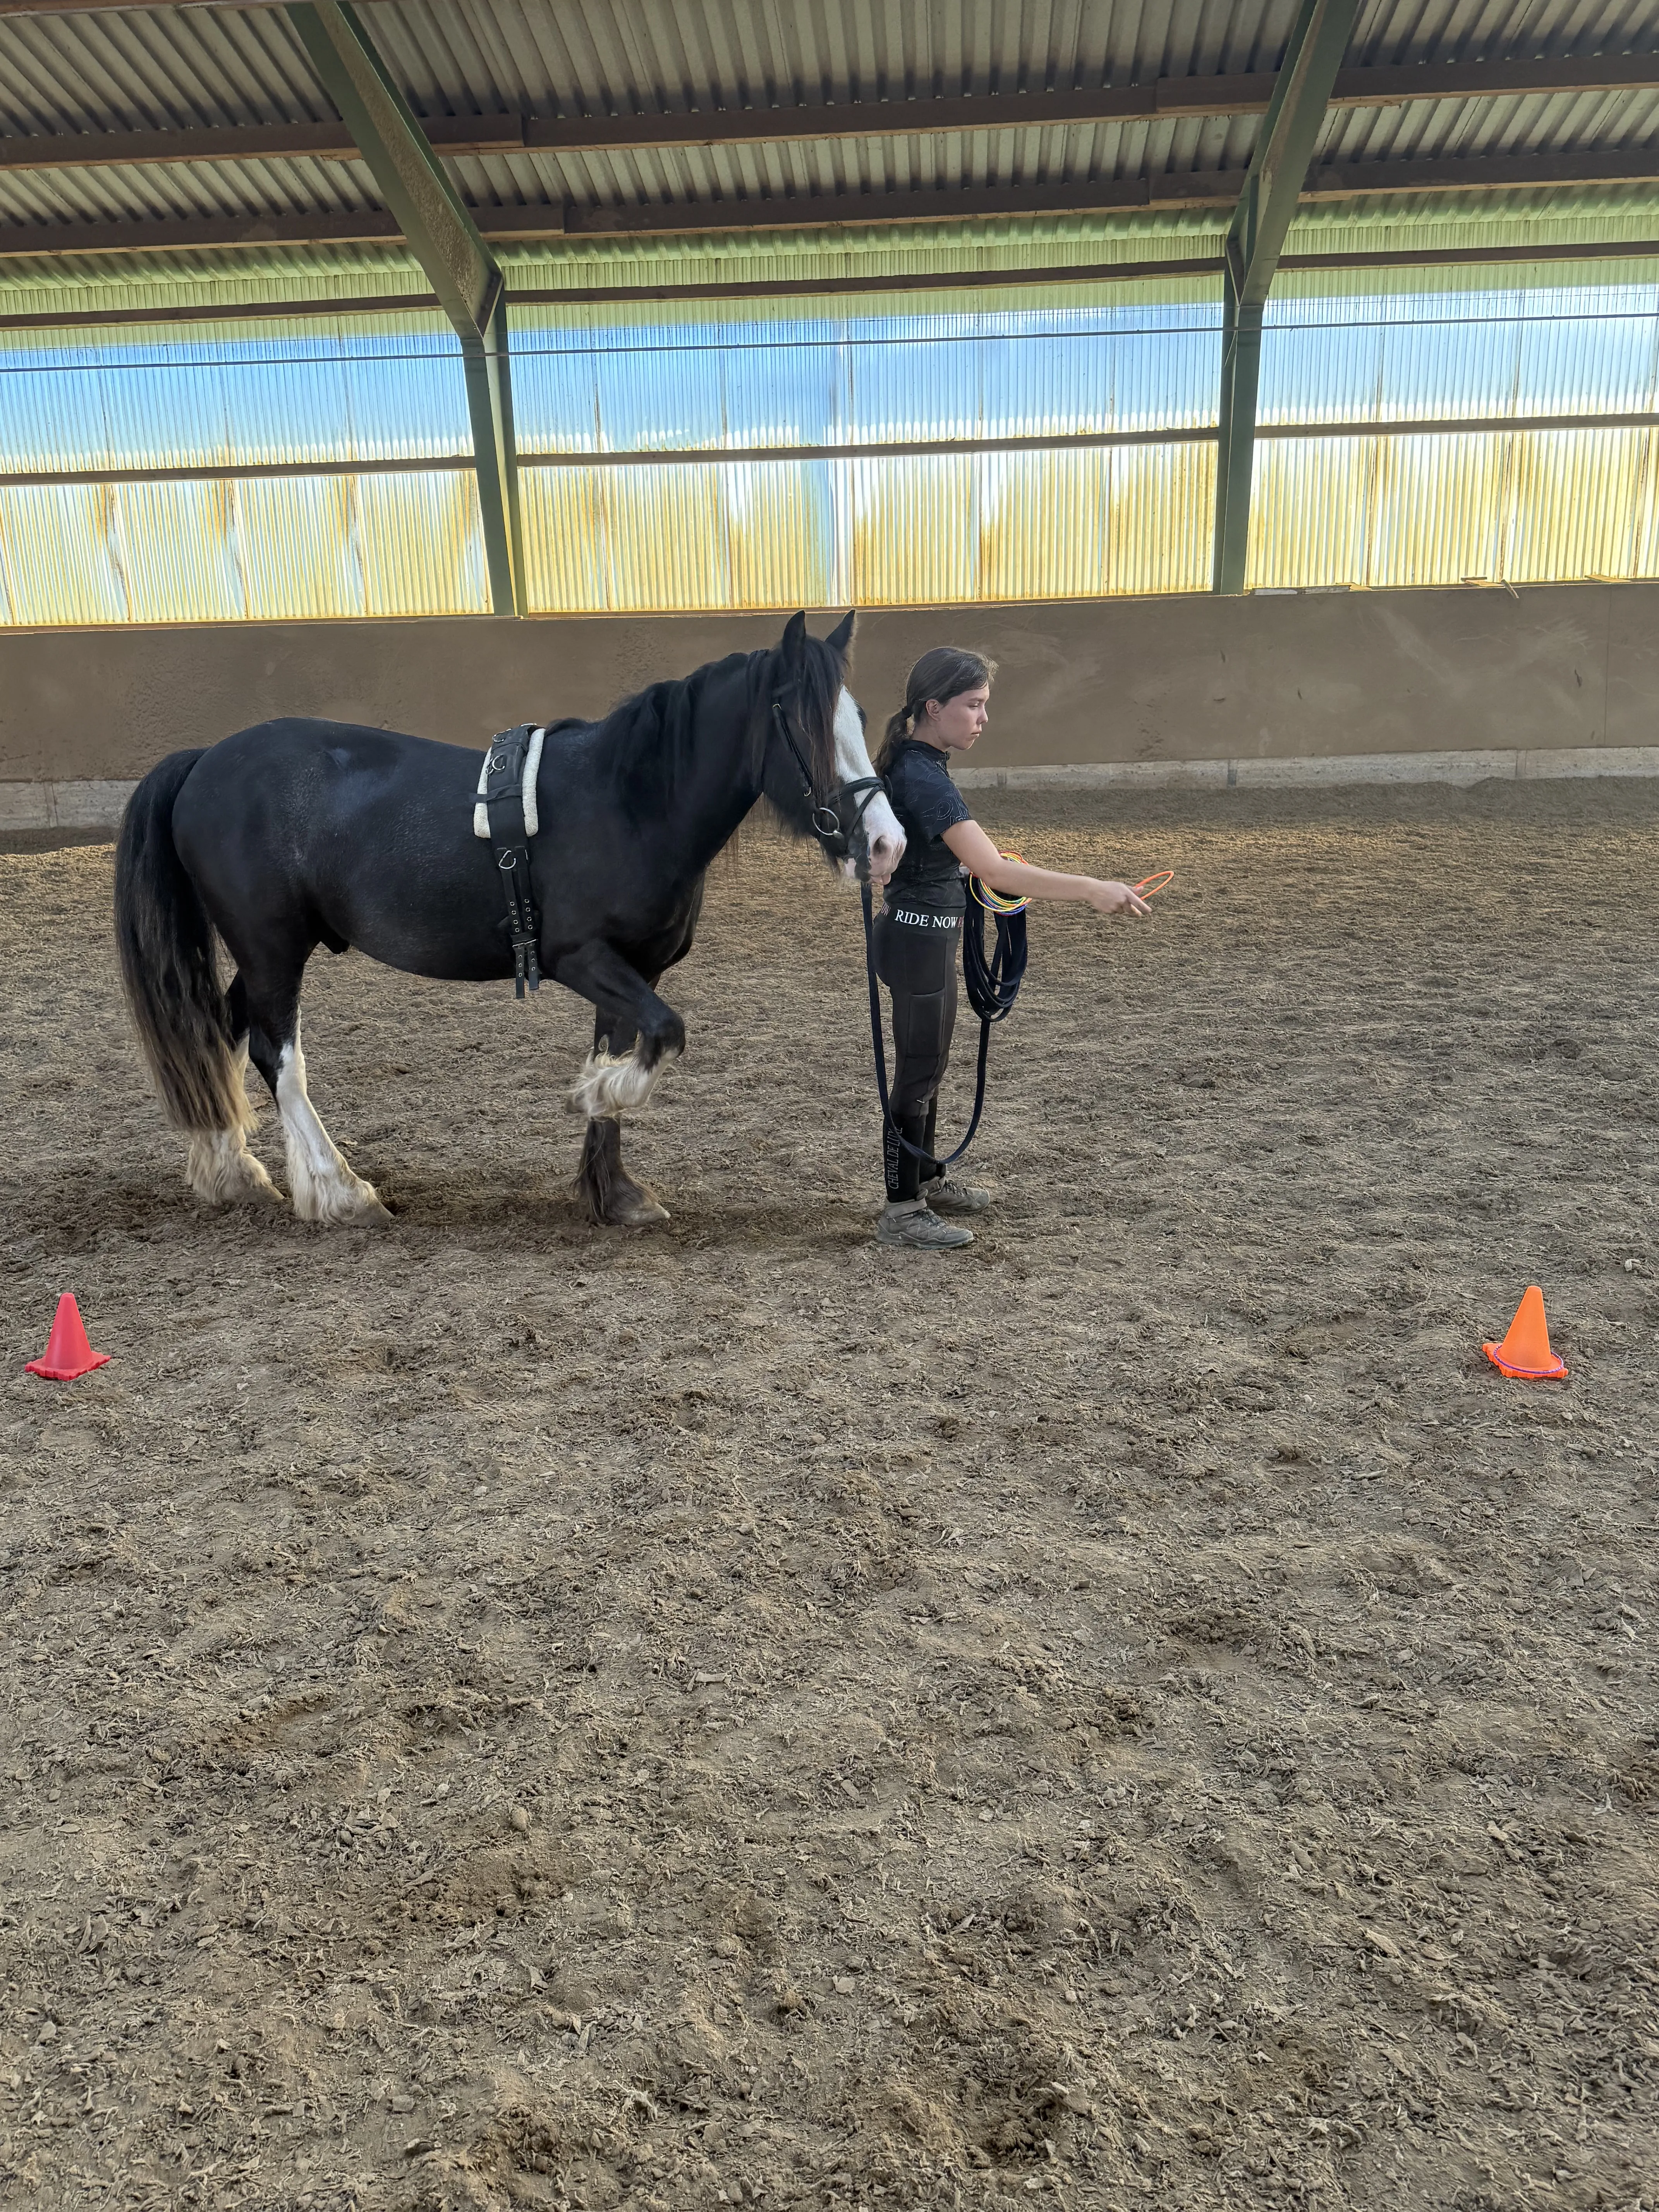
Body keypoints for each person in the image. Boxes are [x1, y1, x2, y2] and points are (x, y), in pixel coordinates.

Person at [871, 647, 1151, 1251]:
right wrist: (1092, 889)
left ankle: (924, 1181)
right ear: (934, 707)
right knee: (918, 1070)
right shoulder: (923, 776)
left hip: (925, 931)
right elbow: (994, 870)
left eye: (984, 705)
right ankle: (902, 1209)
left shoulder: (922, 765)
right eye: (974, 705)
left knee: (929, 1066)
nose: (983, 718)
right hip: (919, 936)